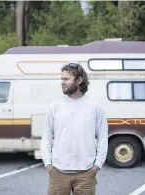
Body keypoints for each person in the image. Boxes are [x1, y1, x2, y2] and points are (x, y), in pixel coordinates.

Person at [40, 63, 108, 195]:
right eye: (62, 79)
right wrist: (48, 165)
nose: (62, 82)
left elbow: (103, 138)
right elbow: (46, 138)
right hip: (58, 173)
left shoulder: (95, 107)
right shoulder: (55, 106)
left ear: (79, 80)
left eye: (66, 79)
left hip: (86, 174)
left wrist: (96, 167)